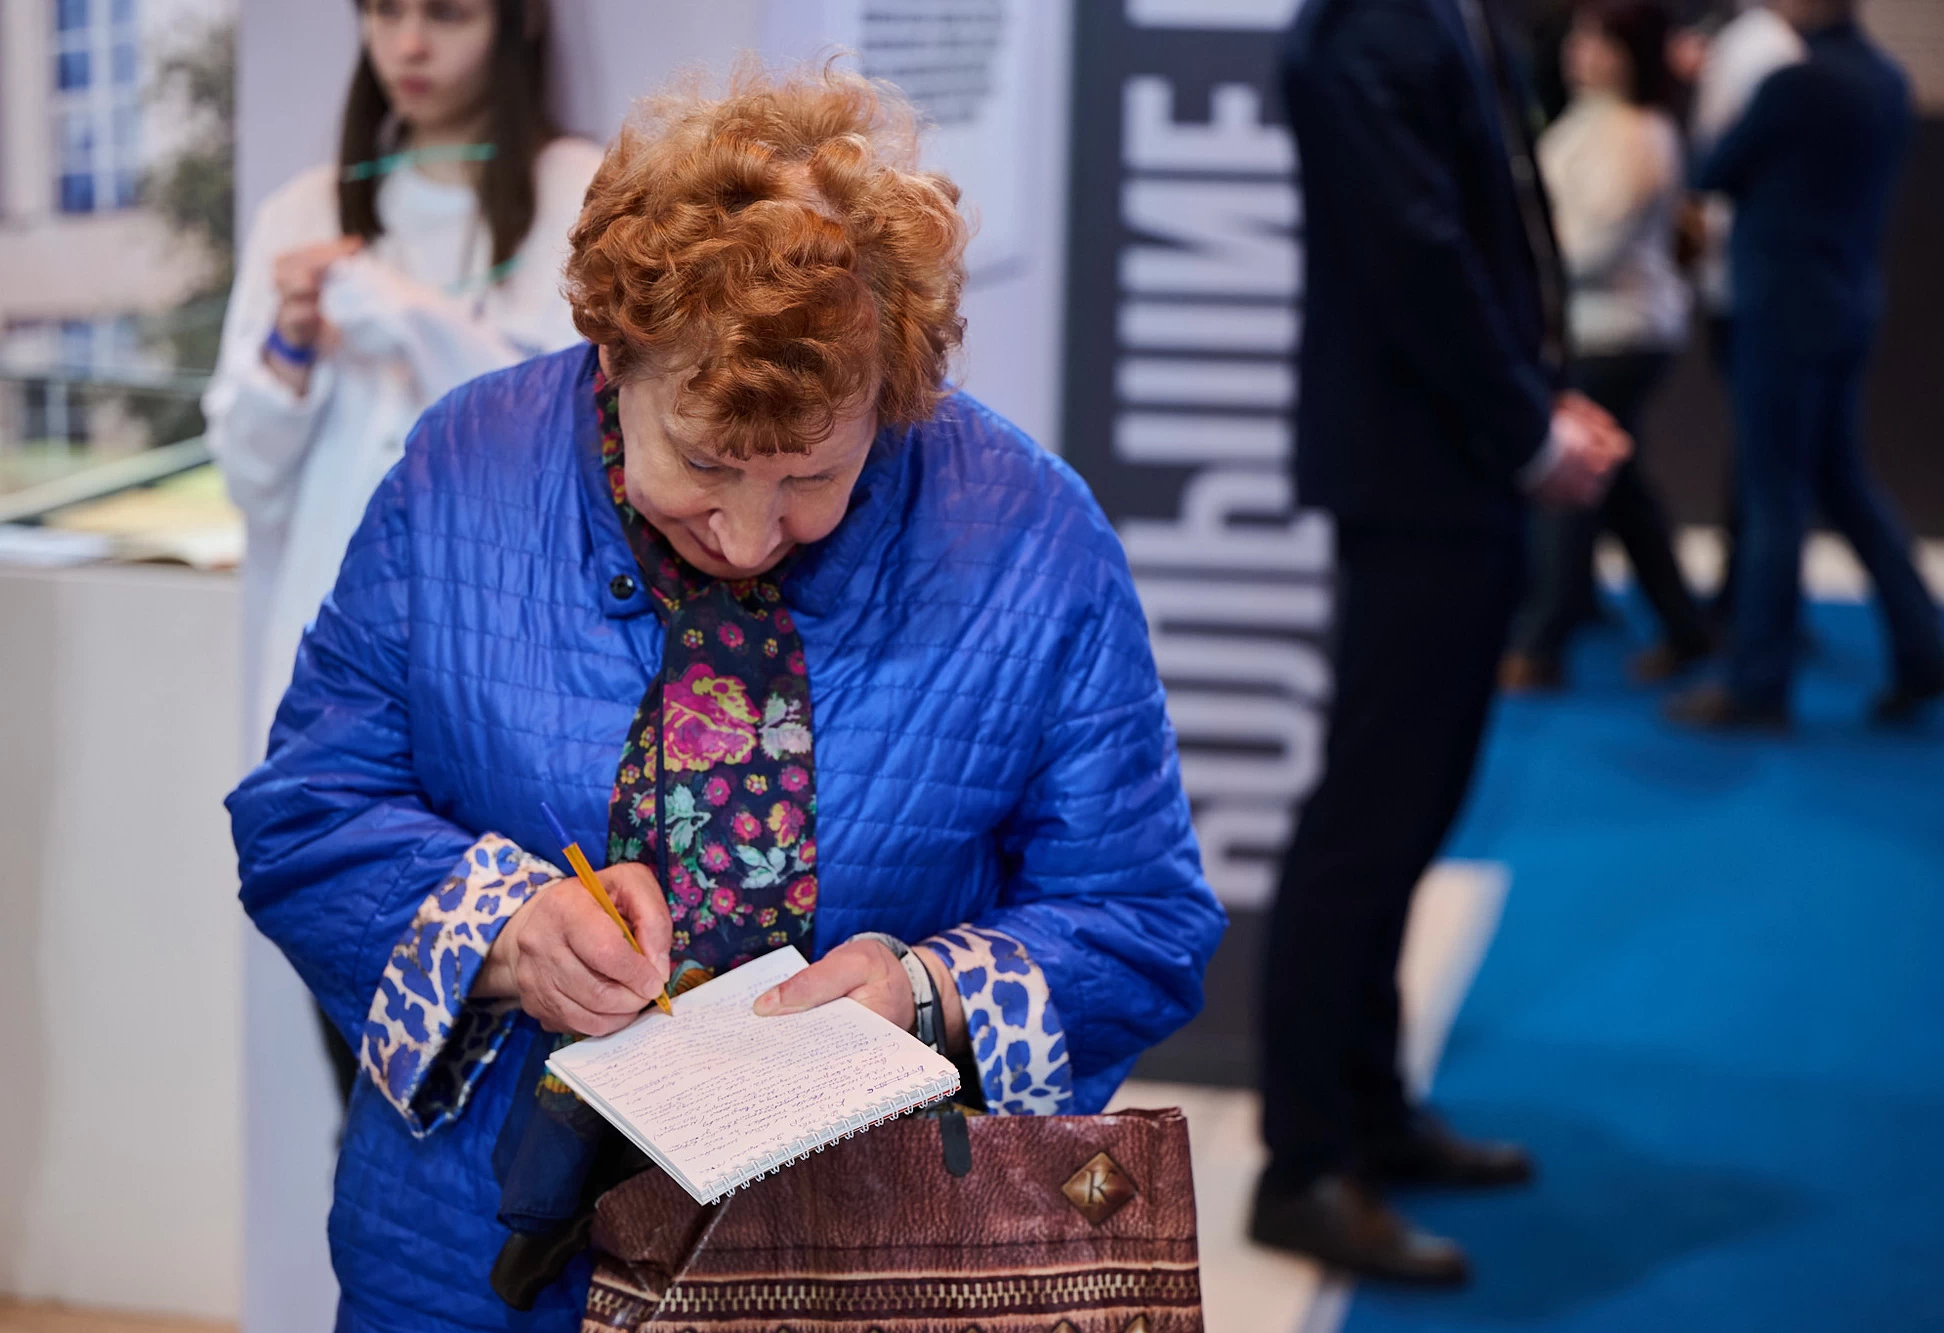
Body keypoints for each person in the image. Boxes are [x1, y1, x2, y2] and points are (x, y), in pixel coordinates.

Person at [225, 66, 1226, 1329]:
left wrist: (924, 994)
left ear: (892, 392)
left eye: (811, 476)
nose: (749, 536)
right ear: (615, 353)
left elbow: (1139, 915)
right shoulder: (461, 472)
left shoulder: (1029, 536)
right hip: (471, 1246)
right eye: (701, 462)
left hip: (868, 1264)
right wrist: (508, 931)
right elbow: (307, 813)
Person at [1257, 0, 1629, 1288]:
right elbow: (1413, 252)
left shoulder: (1427, 13)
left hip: (1450, 462)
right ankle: (1303, 1163)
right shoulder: (1366, 26)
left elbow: (1481, 221)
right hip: (1419, 467)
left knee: (1403, 816)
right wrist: (1526, 428)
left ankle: (1368, 1113)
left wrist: (1535, 403)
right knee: (1367, 824)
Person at [204, 0, 601, 734]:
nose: (409, 45)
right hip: (326, 647)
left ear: (516, 23)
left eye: (448, 15)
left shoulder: (585, 199)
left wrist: (409, 316)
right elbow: (247, 480)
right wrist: (288, 349)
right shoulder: (303, 214)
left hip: (508, 647)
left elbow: (573, 449)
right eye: (386, 12)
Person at [1666, 0, 1944, 729]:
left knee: (1775, 493)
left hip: (1782, 309)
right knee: (1841, 482)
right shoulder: (1887, 79)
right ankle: (1924, 649)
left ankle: (1757, 684)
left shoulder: (1796, 84)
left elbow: (1714, 168)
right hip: (1849, 300)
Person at [1502, 0, 1713, 690]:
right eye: (1581, 39)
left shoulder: (1639, 134)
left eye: (1602, 42)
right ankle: (1684, 625)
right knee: (1619, 487)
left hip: (1620, 333)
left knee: (1572, 480)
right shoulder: (1585, 120)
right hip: (1591, 329)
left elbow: (1585, 248)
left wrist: (1519, 254)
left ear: (1633, 53)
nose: (1583, 53)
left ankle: (1539, 644)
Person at [1687, 0, 1805, 623]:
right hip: (1741, 276)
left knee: (1769, 464)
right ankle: (1747, 603)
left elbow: (1719, 164)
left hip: (1755, 281)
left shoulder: (1766, 49)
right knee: (1769, 459)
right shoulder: (1750, 42)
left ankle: (1752, 612)